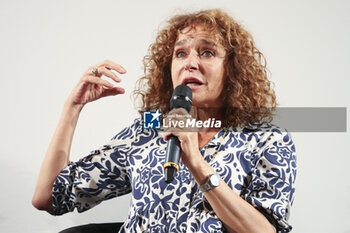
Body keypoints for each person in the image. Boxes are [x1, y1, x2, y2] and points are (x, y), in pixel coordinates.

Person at [32, 9, 296, 233]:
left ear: (234, 68)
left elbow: (265, 230)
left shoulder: (266, 138)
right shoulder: (150, 129)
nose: (190, 63)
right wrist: (73, 108)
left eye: (207, 52)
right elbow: (48, 197)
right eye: (180, 53)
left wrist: (197, 165)